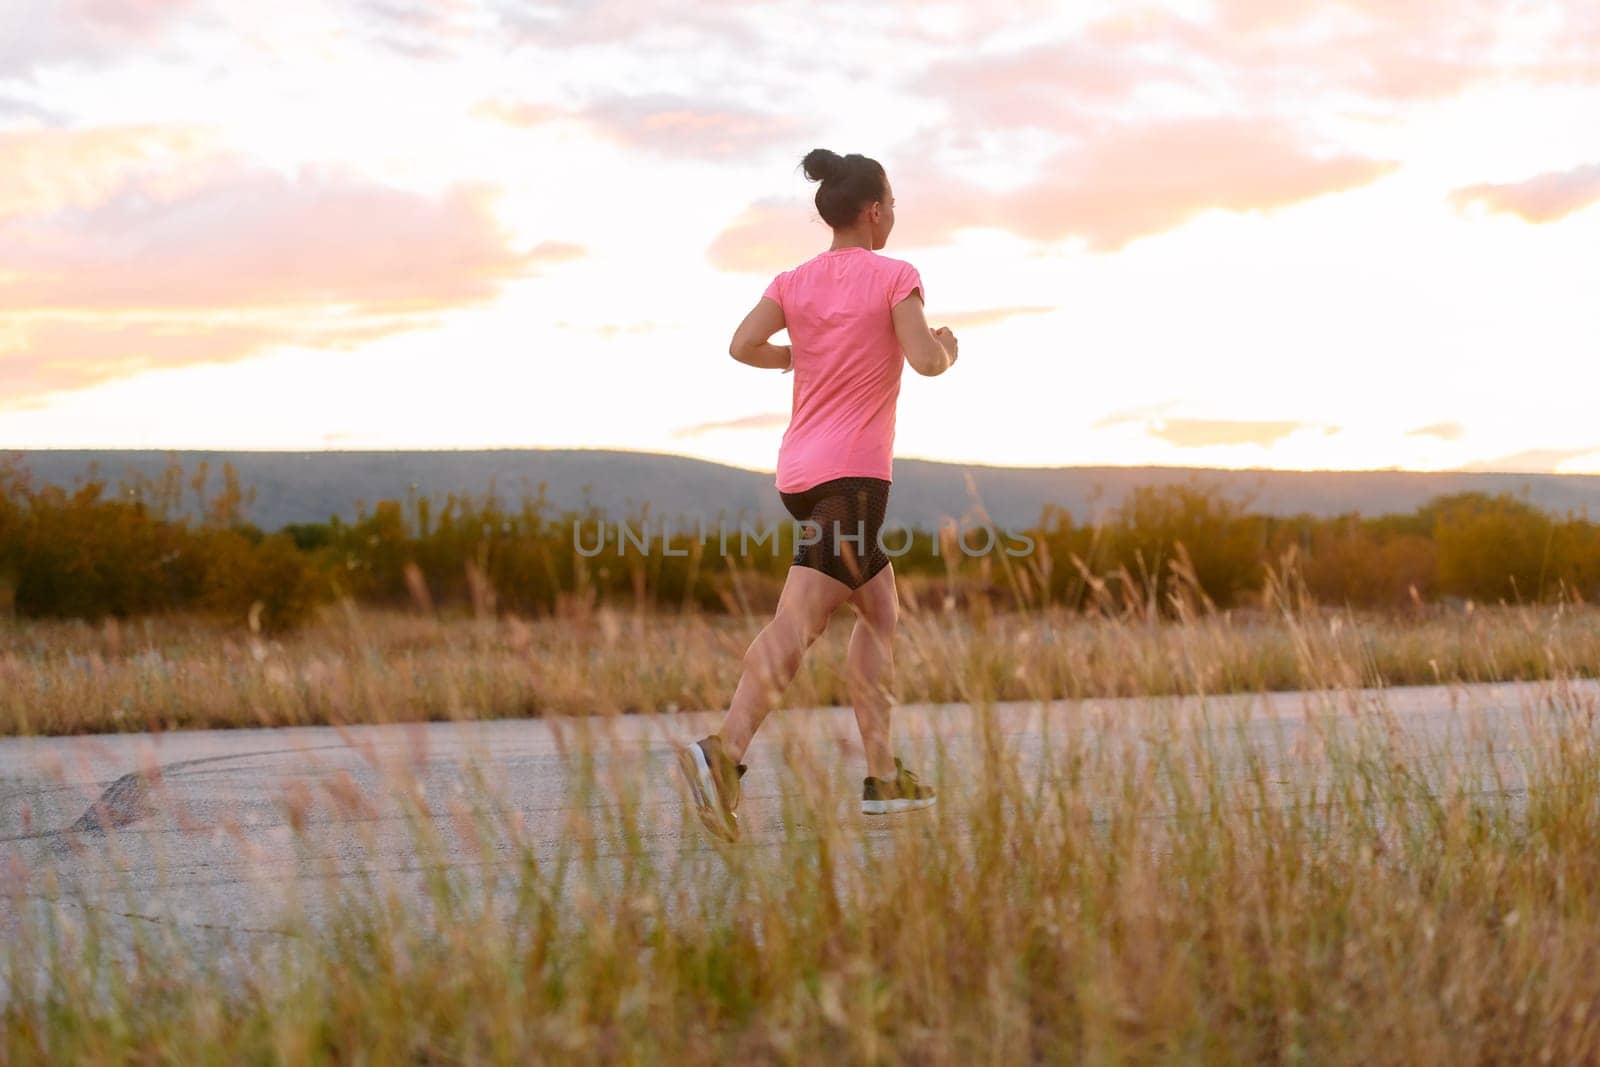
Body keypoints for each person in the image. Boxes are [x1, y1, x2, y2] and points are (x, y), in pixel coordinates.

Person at [677, 148, 960, 842]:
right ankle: (724, 752)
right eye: (890, 205)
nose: (893, 216)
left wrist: (797, 356)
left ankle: (883, 777)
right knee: (800, 621)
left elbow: (744, 344)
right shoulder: (897, 276)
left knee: (881, 611)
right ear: (873, 211)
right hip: (853, 481)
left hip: (800, 476)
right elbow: (925, 360)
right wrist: (949, 345)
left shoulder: (793, 281)